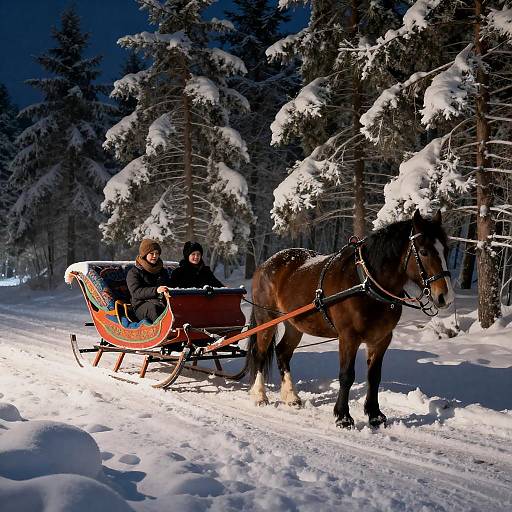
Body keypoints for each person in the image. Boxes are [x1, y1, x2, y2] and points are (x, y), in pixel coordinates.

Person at [126, 239, 172, 323]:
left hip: (162, 302)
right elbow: (136, 292)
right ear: (144, 254)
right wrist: (156, 290)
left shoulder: (162, 271)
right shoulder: (134, 272)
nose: (155, 256)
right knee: (153, 309)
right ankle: (163, 332)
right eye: (152, 253)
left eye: (157, 253)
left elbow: (169, 285)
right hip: (141, 305)